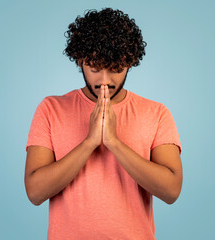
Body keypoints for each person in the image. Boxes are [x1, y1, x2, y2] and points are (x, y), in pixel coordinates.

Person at [24, 7, 183, 240]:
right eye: (95, 69)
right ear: (80, 61)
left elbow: (171, 191)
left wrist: (114, 143)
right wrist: (90, 142)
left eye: (116, 69)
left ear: (129, 63)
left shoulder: (156, 113)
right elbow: (35, 192)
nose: (105, 81)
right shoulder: (51, 109)